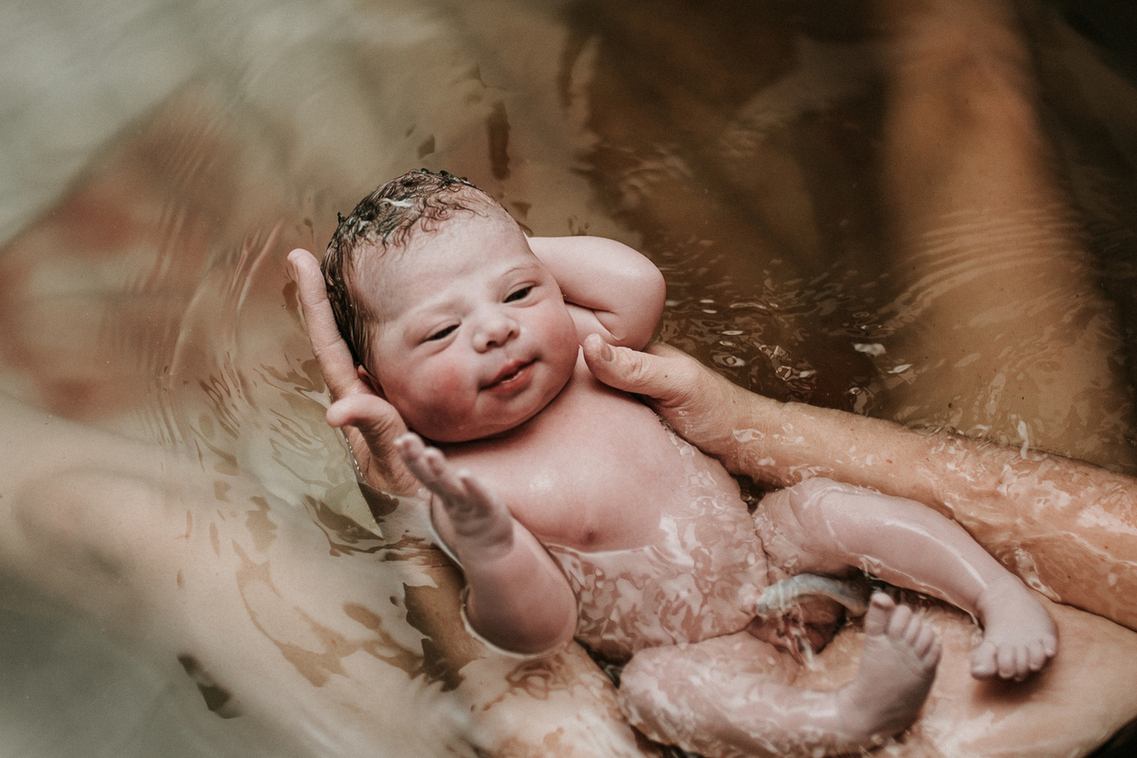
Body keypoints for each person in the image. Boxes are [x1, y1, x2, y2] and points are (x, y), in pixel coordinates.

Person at [311, 168, 1057, 757]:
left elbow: (637, 284)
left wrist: (499, 247)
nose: (495, 329)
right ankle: (845, 715)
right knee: (653, 695)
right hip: (693, 651)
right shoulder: (463, 485)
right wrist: (486, 542)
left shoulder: (578, 348)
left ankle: (993, 593)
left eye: (516, 289)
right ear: (378, 386)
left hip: (772, 559)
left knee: (821, 506)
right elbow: (536, 631)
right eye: (441, 331)